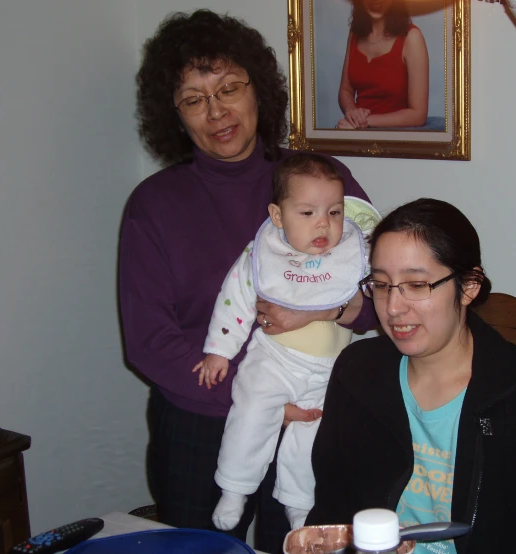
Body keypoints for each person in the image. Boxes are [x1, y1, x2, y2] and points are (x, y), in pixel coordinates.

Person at [119, 10, 375, 553]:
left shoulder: (323, 182)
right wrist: (252, 395)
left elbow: (378, 295)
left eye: (229, 88)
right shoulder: (153, 205)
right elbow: (148, 341)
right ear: (175, 115)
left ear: (259, 89)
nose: (217, 111)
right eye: (193, 98)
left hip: (312, 406)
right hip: (199, 418)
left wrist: (320, 315)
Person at [306, 199, 516, 553]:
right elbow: (332, 510)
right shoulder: (357, 374)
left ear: (468, 287)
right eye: (380, 284)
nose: (392, 308)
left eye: (417, 285)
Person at [193, 153, 379, 532]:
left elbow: (377, 296)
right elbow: (235, 298)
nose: (323, 224)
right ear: (277, 216)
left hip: (329, 371)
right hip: (274, 359)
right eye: (307, 213)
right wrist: (218, 351)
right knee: (251, 412)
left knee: (312, 441)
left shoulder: (350, 252)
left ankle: (300, 511)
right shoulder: (264, 253)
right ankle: (234, 487)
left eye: (335, 212)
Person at [336, 0, 429, 129]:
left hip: (394, 138)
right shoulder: (355, 34)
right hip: (356, 130)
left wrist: (364, 122)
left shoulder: (412, 37)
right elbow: (345, 90)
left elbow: (418, 115)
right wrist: (353, 113)